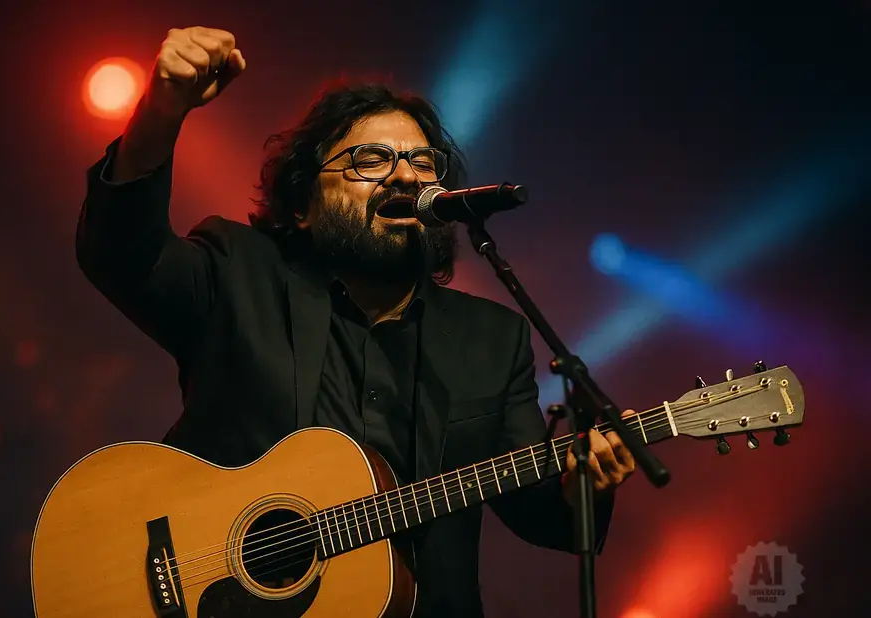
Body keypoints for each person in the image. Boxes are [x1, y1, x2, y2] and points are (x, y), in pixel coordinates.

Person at [77, 26, 636, 617]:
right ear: (300, 206)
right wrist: (161, 112)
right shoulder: (238, 274)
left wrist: (586, 485)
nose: (404, 176)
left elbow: (540, 515)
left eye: (422, 162)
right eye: (371, 159)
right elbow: (119, 253)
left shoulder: (492, 340)